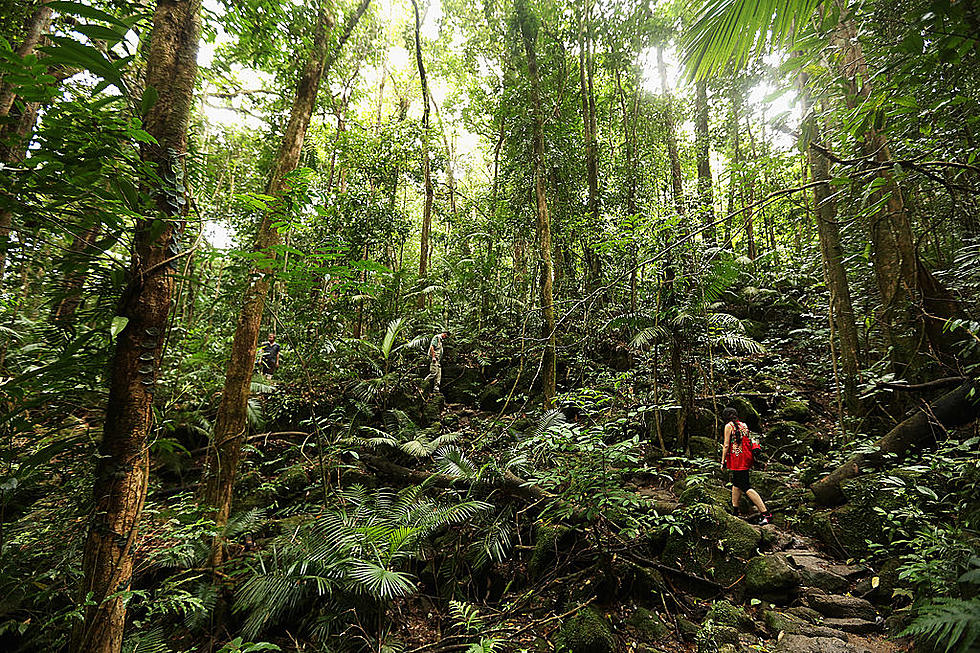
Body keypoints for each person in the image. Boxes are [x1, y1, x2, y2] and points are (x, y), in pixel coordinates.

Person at [720, 406, 773, 525]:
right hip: (746, 457)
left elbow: (726, 445)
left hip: (738, 459)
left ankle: (766, 513)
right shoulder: (743, 425)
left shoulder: (728, 426)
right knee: (736, 483)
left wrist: (722, 461)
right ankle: (735, 510)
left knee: (745, 486)